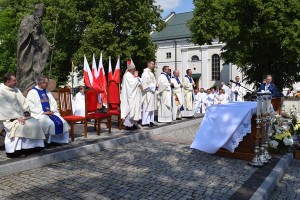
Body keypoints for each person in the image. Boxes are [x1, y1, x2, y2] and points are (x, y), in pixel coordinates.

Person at [0, 73, 45, 157]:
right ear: (8, 81)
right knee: (20, 126)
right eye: (14, 80)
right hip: (8, 118)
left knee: (34, 123)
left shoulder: (16, 90)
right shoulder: (1, 91)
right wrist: (17, 117)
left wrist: (26, 112)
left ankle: (34, 147)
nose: (16, 82)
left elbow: (24, 103)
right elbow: (4, 107)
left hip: (22, 116)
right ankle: (15, 151)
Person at [16, 4, 52, 91]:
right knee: (25, 65)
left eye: (42, 12)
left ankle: (36, 80)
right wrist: (30, 28)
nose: (41, 14)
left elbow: (41, 35)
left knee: (37, 64)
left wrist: (48, 44)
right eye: (40, 11)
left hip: (36, 48)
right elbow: (22, 30)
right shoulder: (28, 18)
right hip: (27, 47)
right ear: (35, 11)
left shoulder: (39, 22)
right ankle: (23, 83)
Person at [27, 75, 70, 144]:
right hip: (40, 114)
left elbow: (53, 103)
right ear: (40, 83)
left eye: (47, 83)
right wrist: (43, 112)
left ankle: (61, 140)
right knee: (49, 123)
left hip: (50, 113)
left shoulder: (47, 92)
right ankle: (48, 141)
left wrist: (52, 110)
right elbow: (31, 106)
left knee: (63, 122)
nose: (47, 84)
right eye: (46, 83)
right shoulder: (32, 92)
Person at [120, 59, 142, 130]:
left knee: (134, 109)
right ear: (131, 69)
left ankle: (133, 123)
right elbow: (132, 85)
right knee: (130, 109)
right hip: (129, 96)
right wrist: (136, 77)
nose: (134, 71)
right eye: (134, 69)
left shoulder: (130, 75)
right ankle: (128, 125)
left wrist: (136, 78)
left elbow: (138, 82)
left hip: (133, 95)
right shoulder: (127, 75)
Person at [141, 60, 157, 127]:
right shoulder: (145, 73)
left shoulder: (151, 73)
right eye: (152, 64)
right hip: (147, 93)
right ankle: (145, 122)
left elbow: (154, 81)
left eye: (154, 64)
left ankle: (151, 121)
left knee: (151, 107)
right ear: (148, 64)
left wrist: (156, 85)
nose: (153, 65)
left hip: (152, 92)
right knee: (146, 107)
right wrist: (153, 86)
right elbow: (144, 84)